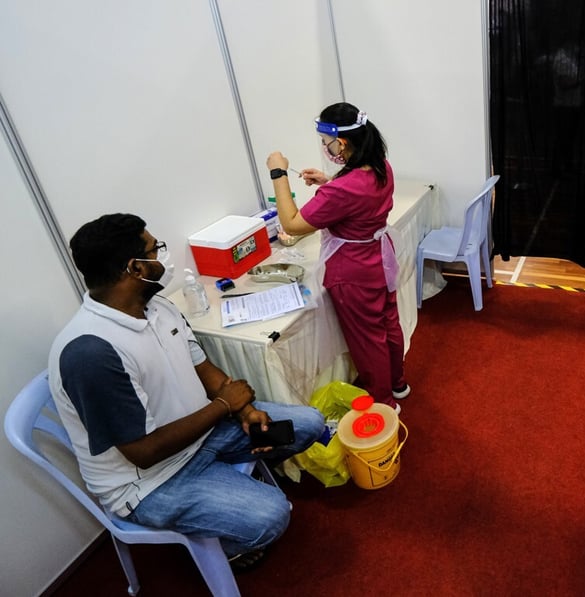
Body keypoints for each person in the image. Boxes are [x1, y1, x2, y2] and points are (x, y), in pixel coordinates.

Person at [48, 213, 326, 570]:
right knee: (272, 516)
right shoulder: (91, 353)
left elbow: (202, 367)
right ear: (135, 268)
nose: (162, 255)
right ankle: (230, 543)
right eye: (155, 249)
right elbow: (143, 452)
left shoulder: (157, 305)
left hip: (201, 434)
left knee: (309, 423)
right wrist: (226, 404)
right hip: (151, 481)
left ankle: (226, 482)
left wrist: (244, 412)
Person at [266, 102, 408, 413]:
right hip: (379, 258)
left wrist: (278, 171)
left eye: (324, 141)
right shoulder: (381, 166)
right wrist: (330, 182)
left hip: (353, 270)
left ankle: (383, 402)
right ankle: (397, 384)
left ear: (340, 142)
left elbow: (291, 223)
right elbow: (359, 195)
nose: (324, 147)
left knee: (367, 339)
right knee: (388, 323)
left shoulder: (343, 191)